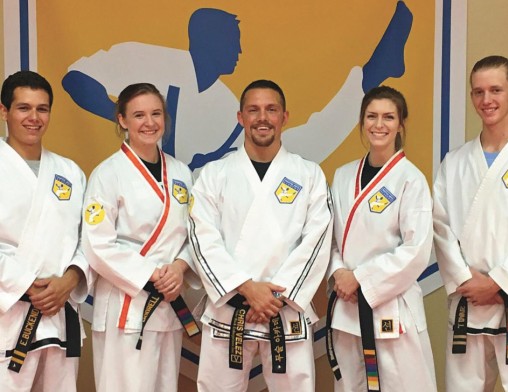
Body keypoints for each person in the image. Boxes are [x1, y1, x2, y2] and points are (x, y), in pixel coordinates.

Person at [62, 3, 412, 171]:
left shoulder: (221, 101)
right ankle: (373, 74)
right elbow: (75, 78)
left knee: (299, 144)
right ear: (207, 42)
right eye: (234, 44)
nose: (240, 52)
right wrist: (130, 121)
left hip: (188, 192)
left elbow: (225, 155)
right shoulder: (145, 59)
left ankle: (373, 75)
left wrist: (209, 159)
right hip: (146, 178)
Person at [188, 79, 333, 391]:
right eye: (253, 110)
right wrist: (247, 289)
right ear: (240, 118)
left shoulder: (309, 175)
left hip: (285, 308)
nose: (262, 117)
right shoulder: (214, 175)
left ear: (285, 117)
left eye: (271, 109)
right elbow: (202, 239)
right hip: (230, 306)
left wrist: (275, 297)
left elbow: (317, 242)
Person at [81, 83, 200, 392]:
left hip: (168, 304)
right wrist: (150, 273)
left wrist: (180, 267)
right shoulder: (107, 174)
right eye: (139, 115)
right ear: (122, 120)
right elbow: (97, 244)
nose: (149, 123)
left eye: (156, 114)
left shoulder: (181, 173)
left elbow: (195, 232)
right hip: (126, 305)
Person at [326, 86, 437, 391]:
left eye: (389, 117)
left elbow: (416, 250)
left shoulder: (411, 179)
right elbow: (331, 239)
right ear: (362, 122)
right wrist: (339, 274)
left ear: (401, 124)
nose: (379, 124)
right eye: (371, 116)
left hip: (390, 305)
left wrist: (360, 278)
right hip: (347, 305)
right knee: (351, 386)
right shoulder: (343, 175)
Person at [0, 70, 93, 391]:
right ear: (4, 112)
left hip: (59, 314)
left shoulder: (69, 172)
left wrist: (70, 279)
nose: (34, 117)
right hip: (9, 313)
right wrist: (27, 285)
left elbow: (89, 239)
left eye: (42, 108)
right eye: (23, 108)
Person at [433, 55, 508, 391]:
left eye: (496, 90)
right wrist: (467, 279)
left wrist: (497, 281)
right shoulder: (455, 162)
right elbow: (439, 227)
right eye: (478, 92)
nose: (486, 100)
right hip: (467, 301)